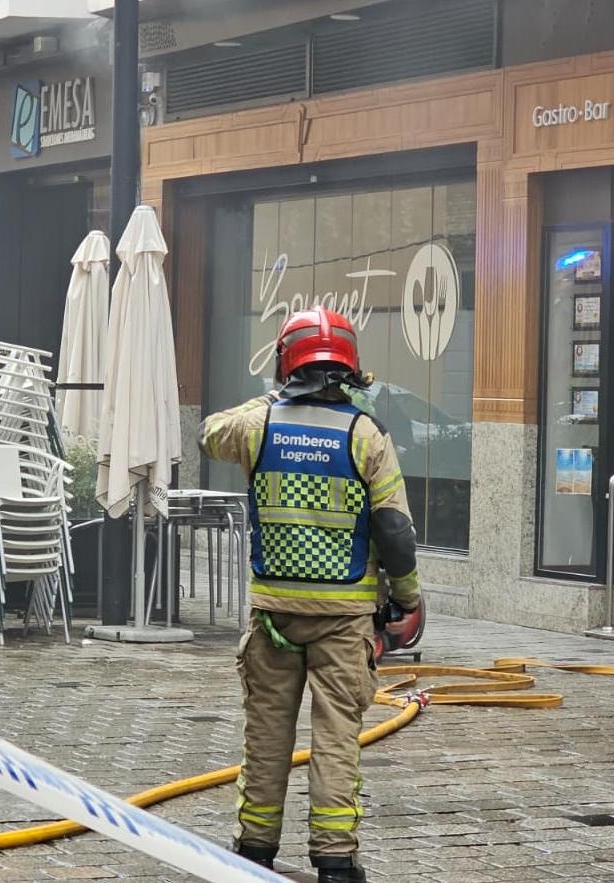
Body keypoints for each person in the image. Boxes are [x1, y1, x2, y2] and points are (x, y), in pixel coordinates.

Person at [197, 304, 422, 883]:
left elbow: (208, 433)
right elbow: (394, 531)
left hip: (273, 615)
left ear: (286, 365)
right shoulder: (366, 435)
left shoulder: (259, 425)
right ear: (350, 368)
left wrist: (273, 399)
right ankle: (335, 860)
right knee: (336, 738)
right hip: (346, 619)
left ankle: (254, 849)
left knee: (267, 735)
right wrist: (410, 598)